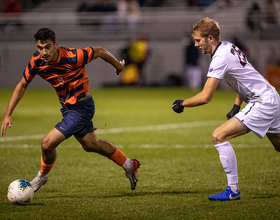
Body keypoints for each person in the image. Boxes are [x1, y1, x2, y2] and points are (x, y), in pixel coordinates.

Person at [1, 28, 140, 192]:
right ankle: (129, 164)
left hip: (82, 107)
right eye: (40, 47)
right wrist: (8, 114)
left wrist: (118, 66)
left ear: (56, 45)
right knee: (91, 145)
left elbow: (100, 51)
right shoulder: (37, 61)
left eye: (47, 47)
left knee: (46, 144)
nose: (43, 52)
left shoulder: (72, 56)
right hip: (68, 109)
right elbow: (22, 84)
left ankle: (41, 177)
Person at [172, 17, 280, 201]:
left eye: (198, 40)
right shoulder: (228, 46)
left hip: (262, 102)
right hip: (271, 97)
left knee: (219, 136)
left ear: (211, 38)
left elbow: (206, 97)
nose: (196, 44)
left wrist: (183, 103)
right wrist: (236, 105)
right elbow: (244, 77)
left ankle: (233, 190)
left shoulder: (220, 57)